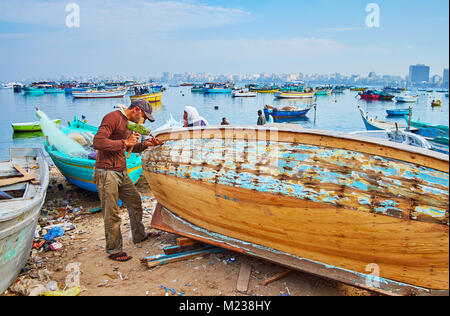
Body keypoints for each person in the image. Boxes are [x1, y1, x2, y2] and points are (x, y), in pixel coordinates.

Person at [93, 99, 163, 262]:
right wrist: (125, 142)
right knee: (112, 212)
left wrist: (145, 144)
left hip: (121, 170)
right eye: (143, 117)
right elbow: (97, 142)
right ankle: (114, 250)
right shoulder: (112, 117)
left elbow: (132, 147)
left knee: (135, 201)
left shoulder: (130, 123)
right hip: (106, 172)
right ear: (136, 109)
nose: (143, 121)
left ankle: (139, 236)